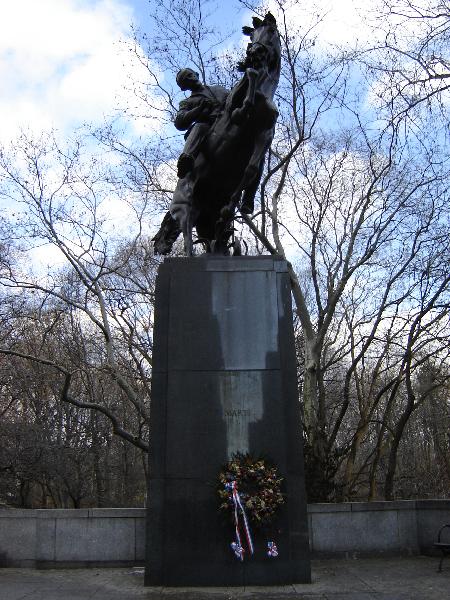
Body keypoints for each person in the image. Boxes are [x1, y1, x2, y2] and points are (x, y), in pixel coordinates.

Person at [174, 68, 228, 178]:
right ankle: (186, 159)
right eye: (186, 79)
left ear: (196, 74)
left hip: (227, 120)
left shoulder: (218, 89)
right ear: (184, 87)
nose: (190, 78)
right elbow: (179, 122)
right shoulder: (186, 102)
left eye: (190, 74)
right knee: (199, 127)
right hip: (208, 127)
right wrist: (199, 109)